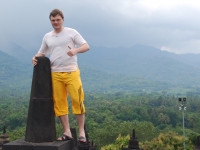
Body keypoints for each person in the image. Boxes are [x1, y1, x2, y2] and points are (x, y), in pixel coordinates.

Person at [32, 9, 90, 142]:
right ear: (50, 21)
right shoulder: (47, 36)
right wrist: (35, 57)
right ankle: (67, 131)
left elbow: (86, 46)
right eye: (53, 20)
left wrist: (75, 50)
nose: (55, 22)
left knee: (77, 100)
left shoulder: (71, 32)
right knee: (59, 102)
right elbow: (42, 52)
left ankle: (82, 132)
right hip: (55, 73)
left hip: (71, 71)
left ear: (62, 19)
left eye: (58, 20)